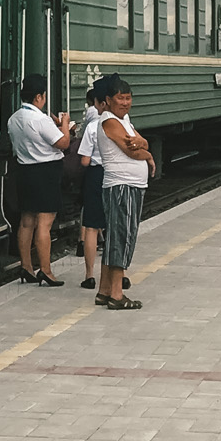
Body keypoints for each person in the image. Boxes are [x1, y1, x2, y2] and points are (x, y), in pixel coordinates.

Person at [7, 74, 72, 286]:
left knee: (26, 221)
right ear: (38, 97)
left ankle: (26, 266)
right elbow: (62, 143)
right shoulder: (41, 119)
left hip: (24, 171)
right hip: (45, 172)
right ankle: (46, 270)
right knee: (44, 223)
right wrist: (64, 125)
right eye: (43, 96)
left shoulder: (14, 118)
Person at [96, 75, 153, 309]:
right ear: (108, 100)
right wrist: (147, 155)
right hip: (122, 186)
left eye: (129, 98)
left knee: (114, 239)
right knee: (121, 237)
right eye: (121, 98)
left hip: (127, 186)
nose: (125, 103)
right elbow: (133, 151)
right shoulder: (109, 122)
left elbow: (143, 142)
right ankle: (117, 295)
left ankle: (104, 290)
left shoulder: (124, 120)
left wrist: (143, 145)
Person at [77, 79, 107, 289]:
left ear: (97, 103)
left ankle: (89, 276)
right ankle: (118, 274)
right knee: (115, 226)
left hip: (96, 176)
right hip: (116, 175)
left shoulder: (93, 127)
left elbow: (85, 160)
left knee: (91, 228)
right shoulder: (125, 124)